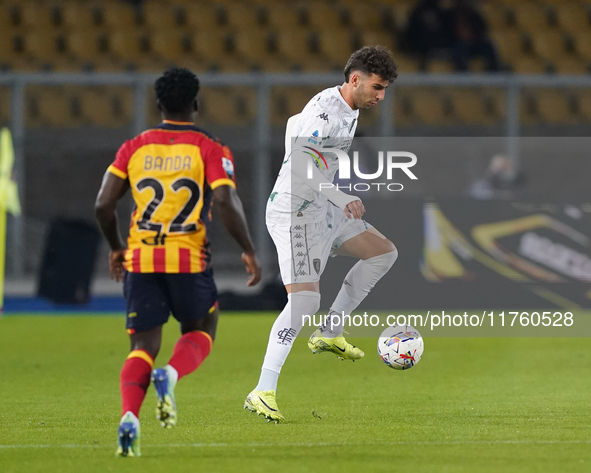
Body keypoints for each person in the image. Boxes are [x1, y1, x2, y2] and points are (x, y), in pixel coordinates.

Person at [95, 67, 262, 456]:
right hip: (188, 259)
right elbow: (224, 200)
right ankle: (169, 374)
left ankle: (129, 419)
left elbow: (104, 204)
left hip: (141, 258)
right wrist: (248, 248)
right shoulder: (210, 147)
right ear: (196, 103)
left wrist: (118, 246)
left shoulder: (134, 146)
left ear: (158, 104)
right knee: (204, 324)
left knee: (142, 344)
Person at [244, 46, 399, 423]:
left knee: (383, 252)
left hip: (322, 208)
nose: (381, 96)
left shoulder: (348, 109)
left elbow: (292, 124)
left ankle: (330, 332)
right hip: (294, 214)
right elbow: (300, 160)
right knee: (304, 304)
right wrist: (337, 193)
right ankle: (262, 390)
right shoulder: (326, 111)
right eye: (377, 87)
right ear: (355, 79)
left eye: (385, 89)